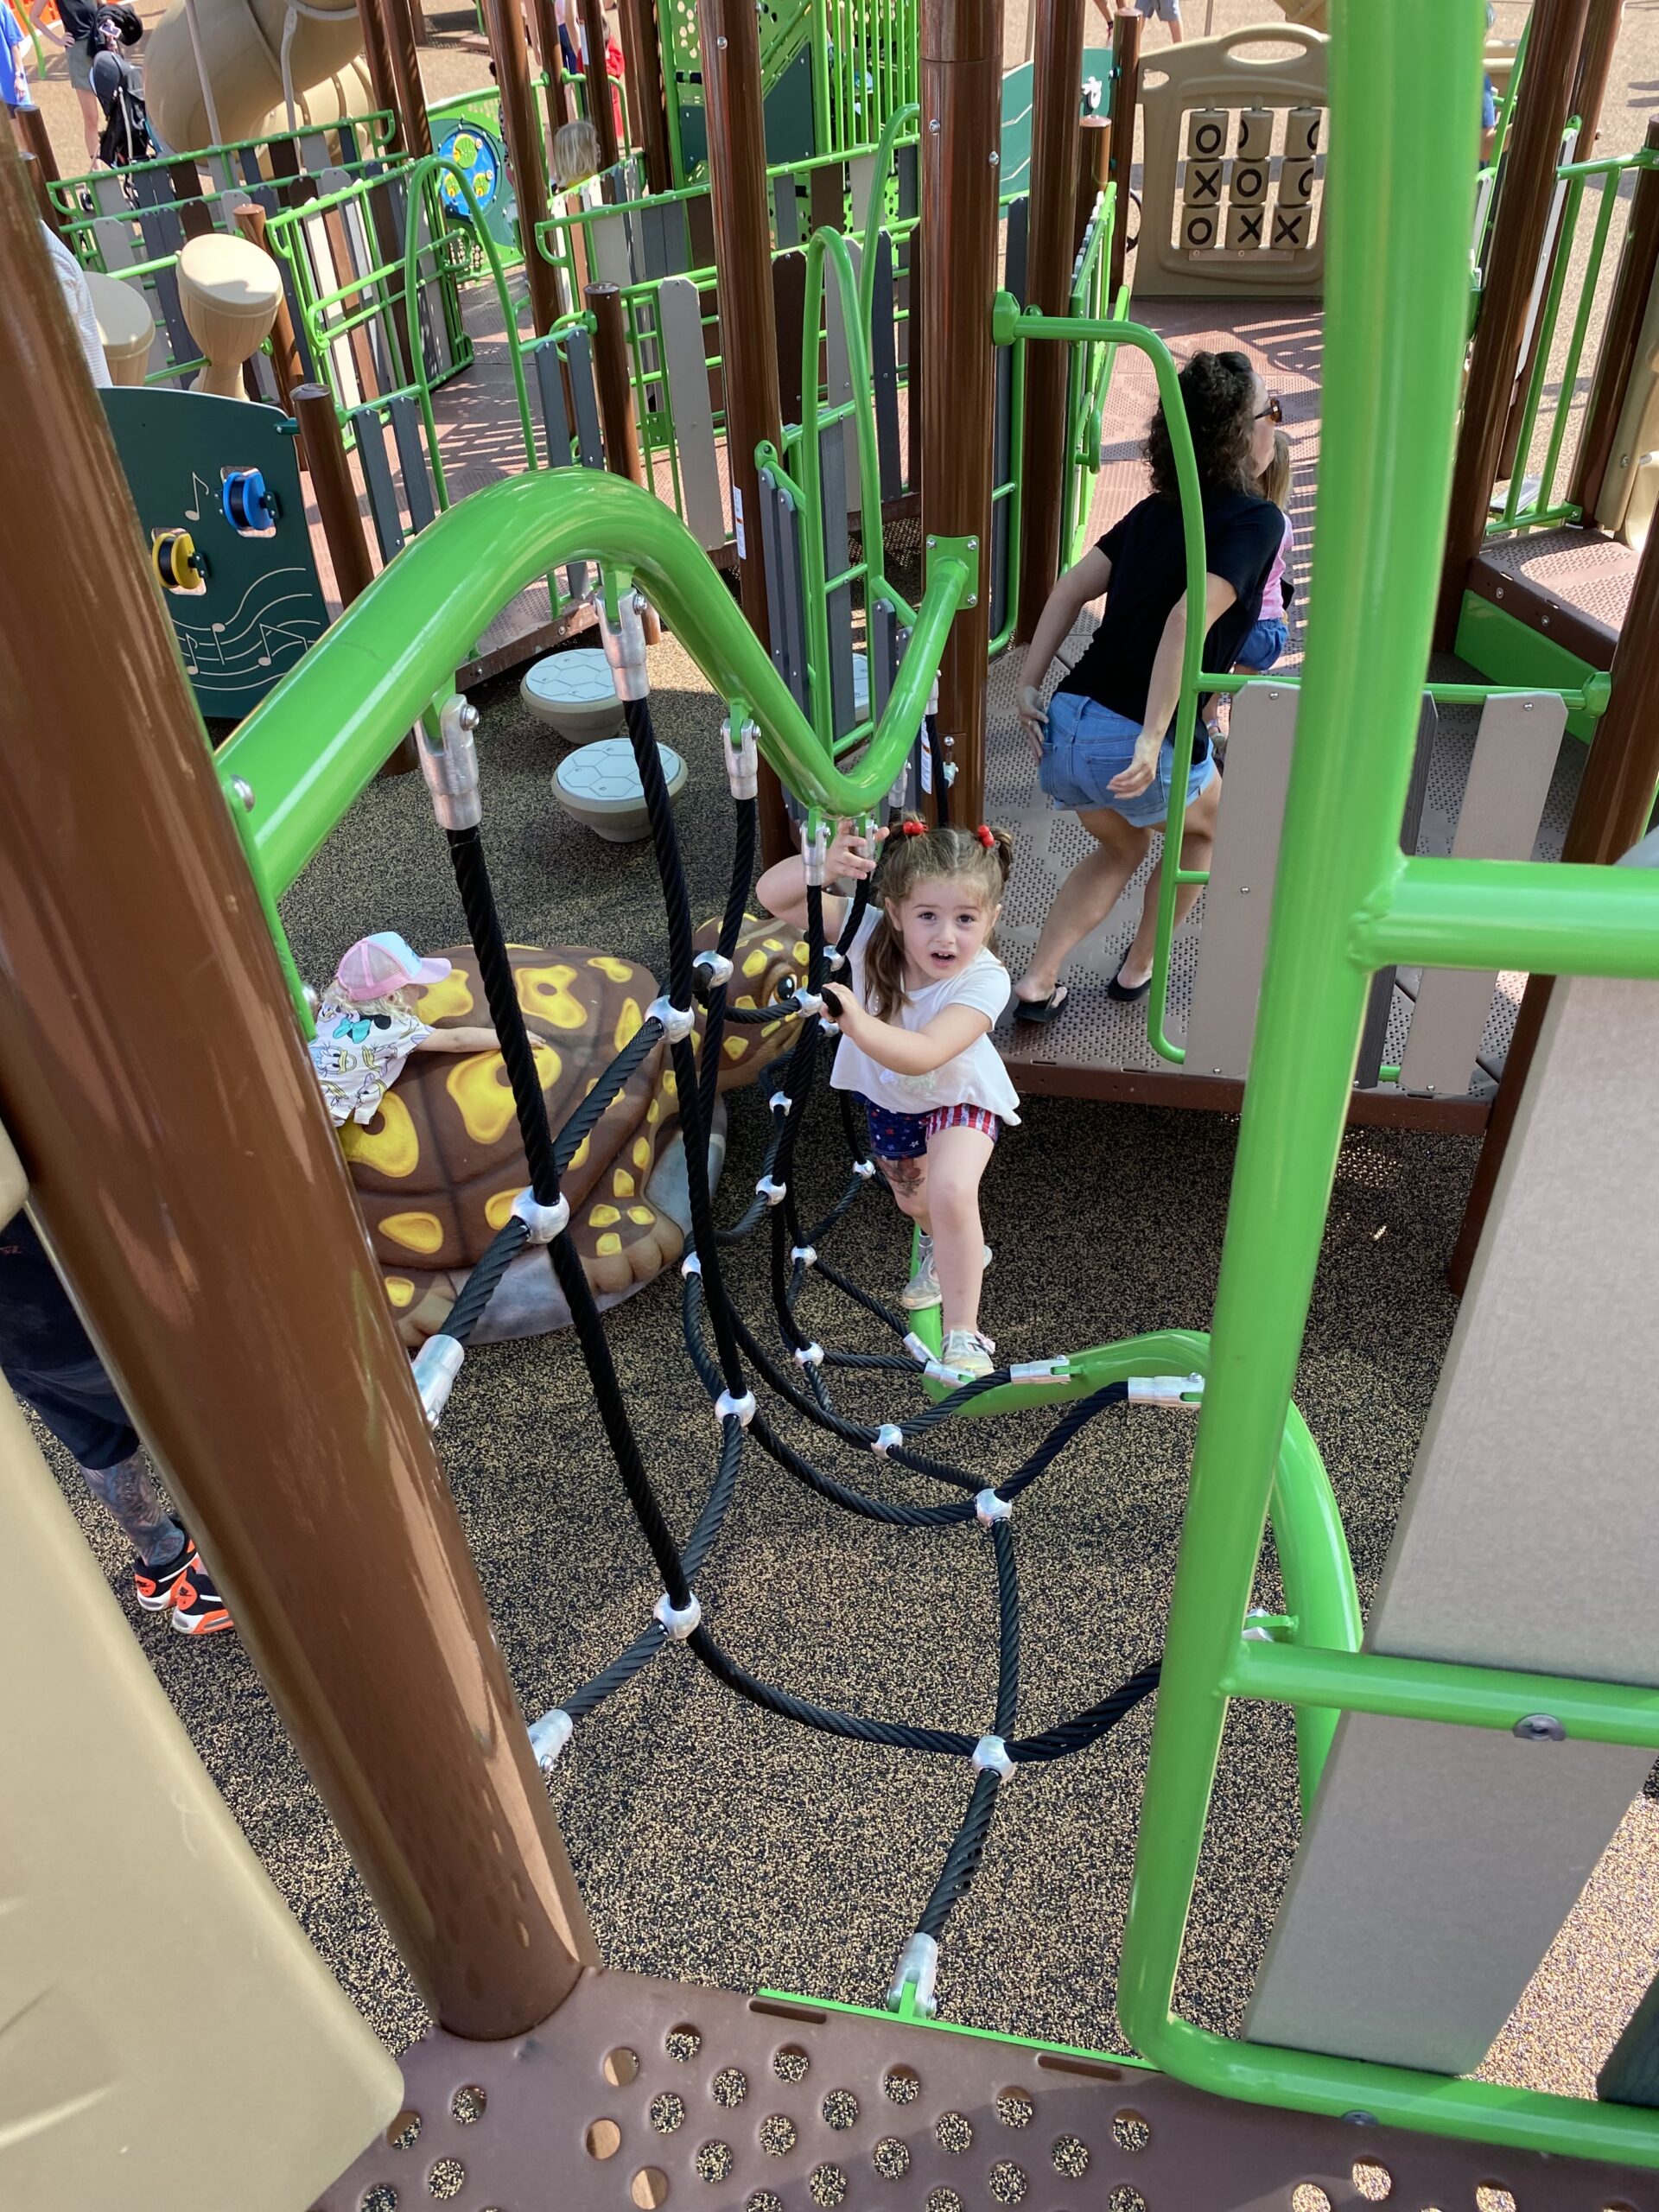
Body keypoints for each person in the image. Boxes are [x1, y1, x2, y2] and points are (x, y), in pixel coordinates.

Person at [1011, 349, 1284, 1019]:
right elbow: (1188, 617)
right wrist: (1153, 734)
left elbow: (1070, 587)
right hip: (1136, 741)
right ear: (1241, 434)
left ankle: (1038, 981)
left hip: (1067, 727)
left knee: (1123, 844)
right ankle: (1139, 966)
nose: (1277, 428)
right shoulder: (1258, 521)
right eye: (1272, 413)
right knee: (1209, 831)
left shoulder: (1154, 512)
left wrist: (1027, 684)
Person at [756, 819, 1019, 1380]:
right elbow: (774, 898)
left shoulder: (985, 979)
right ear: (896, 913)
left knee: (952, 1190)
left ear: (991, 919)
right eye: (928, 916)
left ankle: (964, 1334)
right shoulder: (870, 934)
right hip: (893, 1102)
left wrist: (854, 1021)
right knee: (915, 1204)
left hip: (960, 1097)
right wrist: (818, 868)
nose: (946, 937)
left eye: (966, 919)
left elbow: (925, 1053)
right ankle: (947, 1242)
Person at [1, 1210, 232, 1634]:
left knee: (98, 1445)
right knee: (216, 1431)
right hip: (93, 1320)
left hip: (21, 1344)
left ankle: (164, 1557)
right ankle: (231, 1581)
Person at [309, 931, 499, 1128]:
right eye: (414, 985)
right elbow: (457, 1041)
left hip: (297, 1083)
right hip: (322, 1112)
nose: (419, 989)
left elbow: (339, 984)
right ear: (392, 998)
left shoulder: (334, 1001)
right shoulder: (397, 1028)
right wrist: (507, 1038)